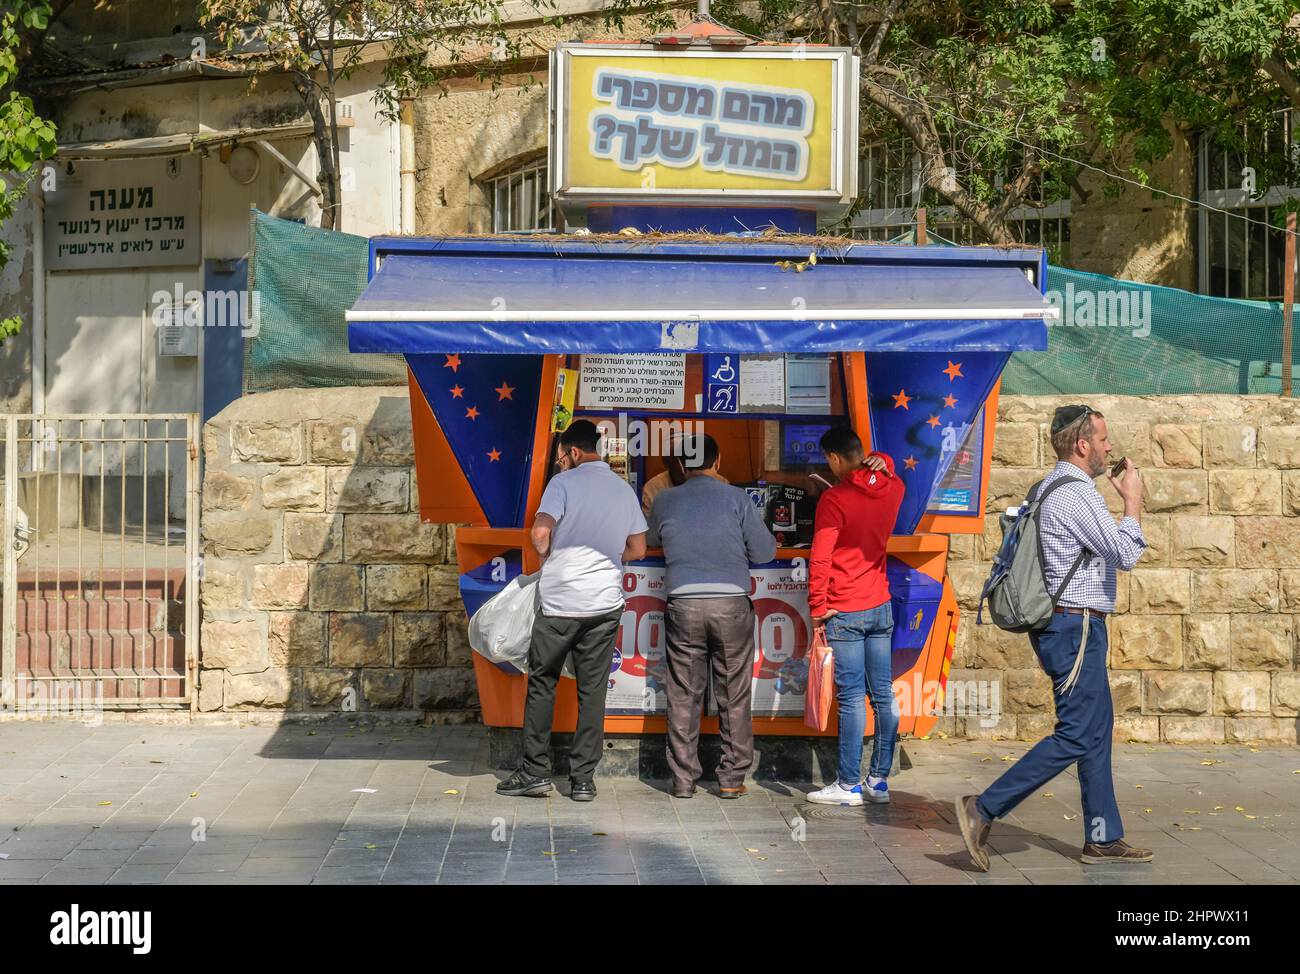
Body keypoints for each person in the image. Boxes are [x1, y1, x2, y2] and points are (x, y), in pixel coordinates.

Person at [956, 405, 1151, 869]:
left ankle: (1103, 836)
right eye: (1102, 438)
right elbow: (1124, 552)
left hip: (1071, 626)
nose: (1108, 446)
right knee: (1077, 734)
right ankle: (982, 808)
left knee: (1096, 728)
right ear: (1083, 445)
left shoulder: (1049, 486)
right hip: (1076, 627)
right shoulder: (1076, 495)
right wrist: (1132, 503)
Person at [497, 420, 648, 802]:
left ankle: (534, 772)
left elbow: (540, 533)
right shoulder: (622, 489)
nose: (561, 463)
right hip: (604, 604)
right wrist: (609, 558)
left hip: (560, 602)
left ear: (574, 453)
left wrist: (553, 558)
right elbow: (638, 549)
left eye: (562, 457)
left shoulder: (562, 484)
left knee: (542, 682)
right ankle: (583, 780)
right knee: (592, 691)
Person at [647, 434, 777, 799]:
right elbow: (765, 553)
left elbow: (650, 539)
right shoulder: (737, 498)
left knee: (683, 692)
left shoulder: (665, 499)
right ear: (717, 461)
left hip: (683, 604)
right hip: (731, 605)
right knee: (733, 693)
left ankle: (683, 780)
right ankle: (732, 779)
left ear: (683, 464)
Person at [805, 427, 905, 807]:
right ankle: (878, 781)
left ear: (833, 458)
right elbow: (890, 474)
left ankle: (847, 785)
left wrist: (817, 607)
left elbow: (820, 557)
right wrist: (886, 462)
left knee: (850, 699)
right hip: (880, 604)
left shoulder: (834, 499)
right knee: (882, 694)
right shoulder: (894, 488)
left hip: (843, 608)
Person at [640, 433, 728, 517]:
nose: (686, 463)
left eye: (690, 457)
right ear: (666, 462)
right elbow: (649, 529)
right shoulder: (652, 489)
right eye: (678, 459)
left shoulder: (721, 484)